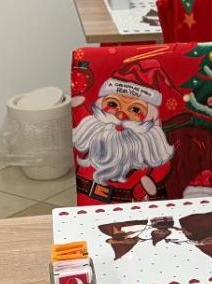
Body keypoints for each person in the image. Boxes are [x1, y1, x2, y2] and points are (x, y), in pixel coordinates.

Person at [72, 65, 177, 203]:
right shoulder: (96, 131)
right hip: (89, 198)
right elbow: (84, 125)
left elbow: (163, 165)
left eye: (135, 109)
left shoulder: (148, 150)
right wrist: (78, 106)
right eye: (113, 104)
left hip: (129, 203)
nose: (121, 116)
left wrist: (148, 183)